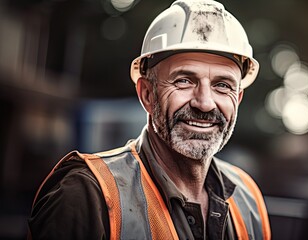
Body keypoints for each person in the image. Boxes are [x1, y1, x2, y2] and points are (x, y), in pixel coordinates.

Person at [28, 0, 271, 239]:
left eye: (222, 85)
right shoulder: (87, 195)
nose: (205, 103)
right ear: (147, 94)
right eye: (183, 81)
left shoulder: (248, 198)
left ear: (237, 98)